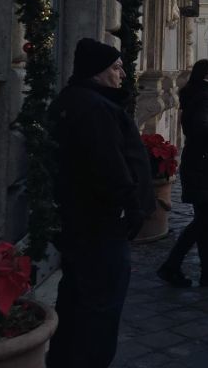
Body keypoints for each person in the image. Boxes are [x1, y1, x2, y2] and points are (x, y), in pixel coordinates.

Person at [46, 38, 154, 368]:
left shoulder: (72, 100)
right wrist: (131, 209)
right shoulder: (95, 108)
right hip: (101, 225)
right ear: (97, 72)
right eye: (116, 68)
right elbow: (109, 166)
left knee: (77, 300)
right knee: (100, 311)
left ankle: (65, 359)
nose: (123, 74)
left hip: (81, 220)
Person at [158, 60, 208, 288]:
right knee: (203, 220)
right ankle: (172, 265)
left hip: (200, 163)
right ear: (202, 75)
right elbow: (199, 127)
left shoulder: (200, 95)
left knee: (205, 220)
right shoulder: (204, 98)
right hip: (205, 166)